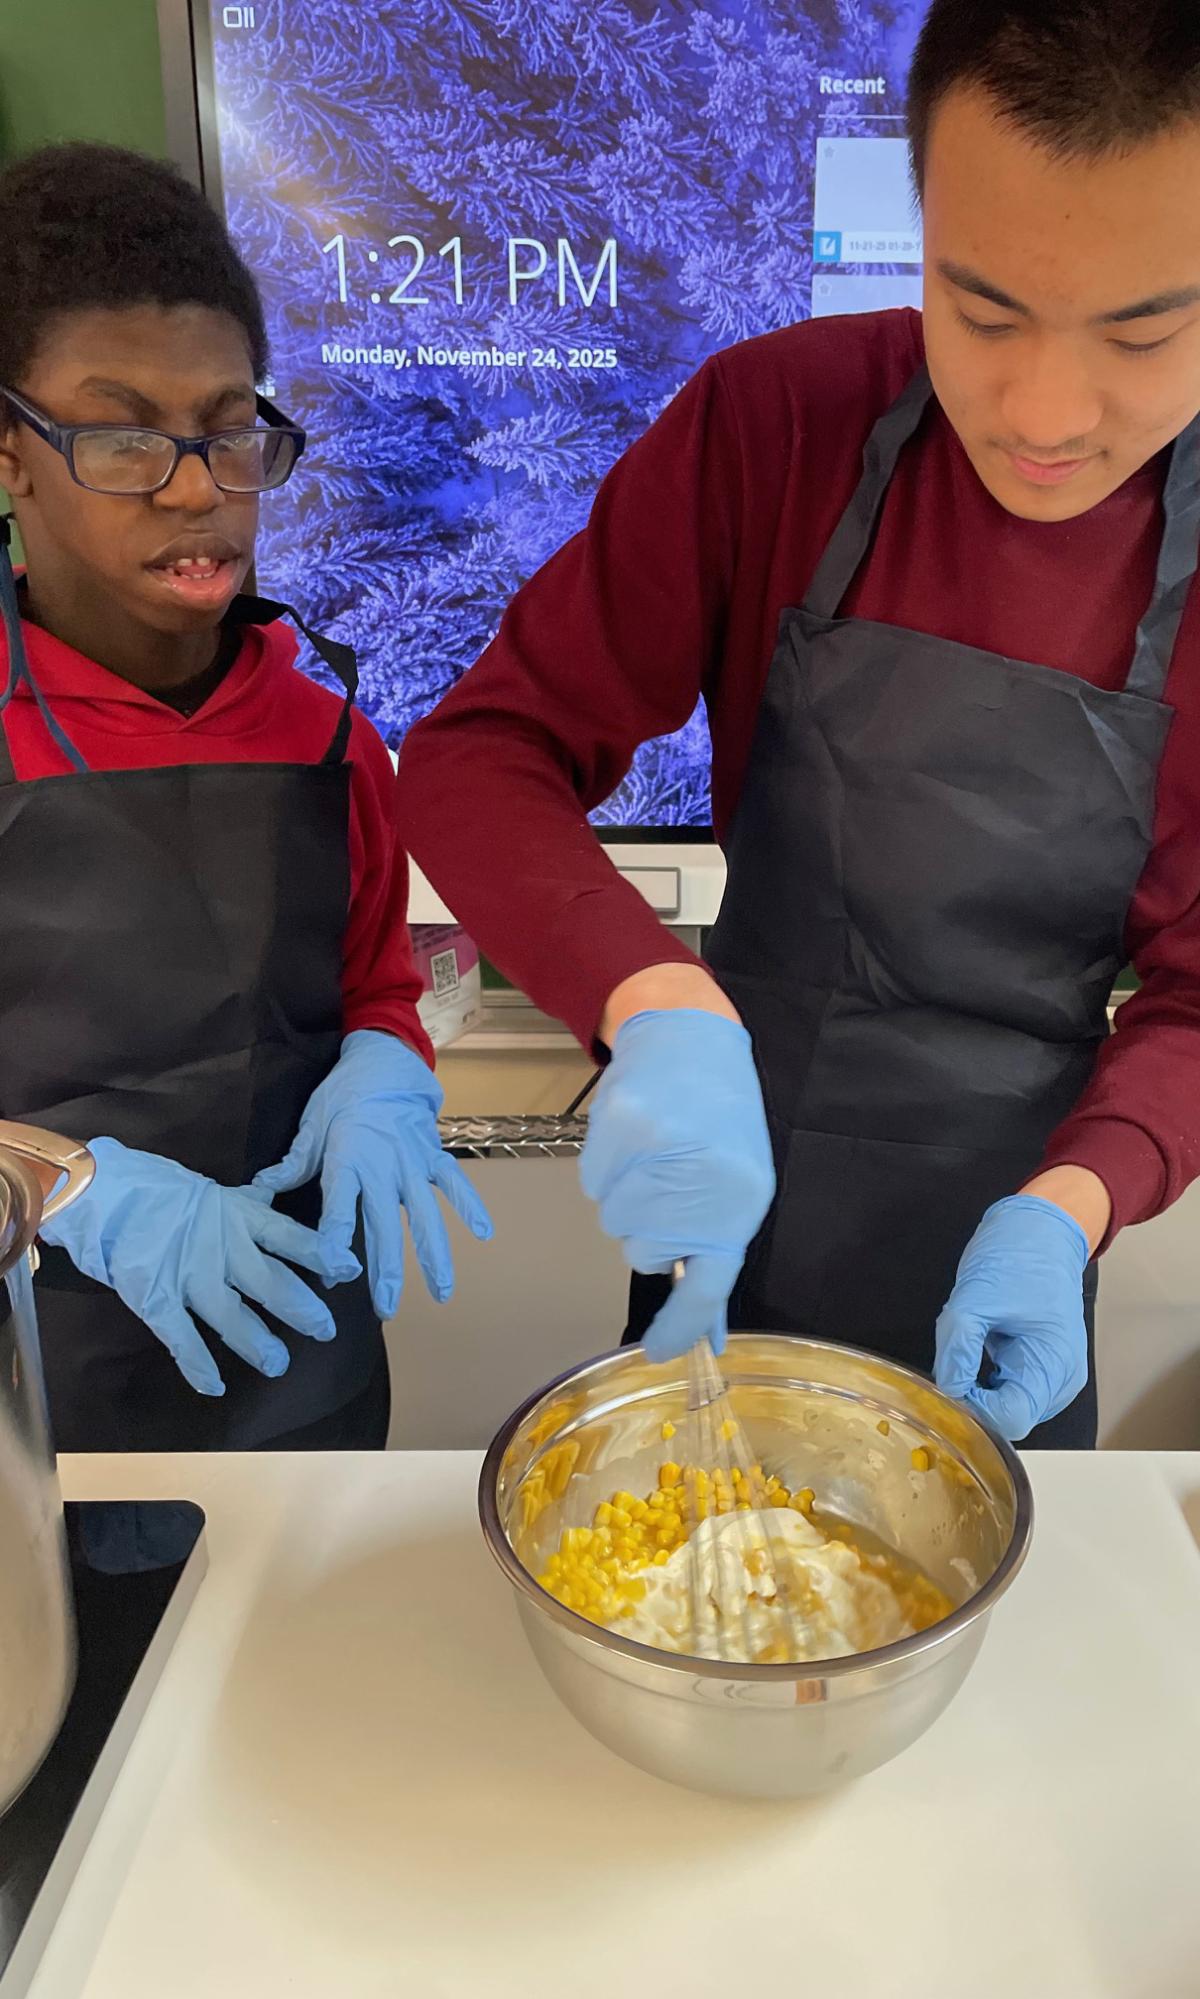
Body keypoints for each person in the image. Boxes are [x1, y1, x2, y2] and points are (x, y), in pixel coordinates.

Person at [397, 0, 1200, 1448]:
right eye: (983, 309)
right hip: (722, 1216)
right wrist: (651, 1004)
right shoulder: (781, 424)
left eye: (1144, 332)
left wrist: (1074, 1206)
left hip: (1018, 1247)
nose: (1044, 411)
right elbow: (480, 756)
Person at [0, 143, 492, 1454]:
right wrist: (81, 1192)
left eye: (228, 429)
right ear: (11, 455)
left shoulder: (326, 733)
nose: (196, 489)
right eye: (121, 436)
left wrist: (391, 1067)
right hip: (37, 1416)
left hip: (304, 1383)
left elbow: (379, 981)